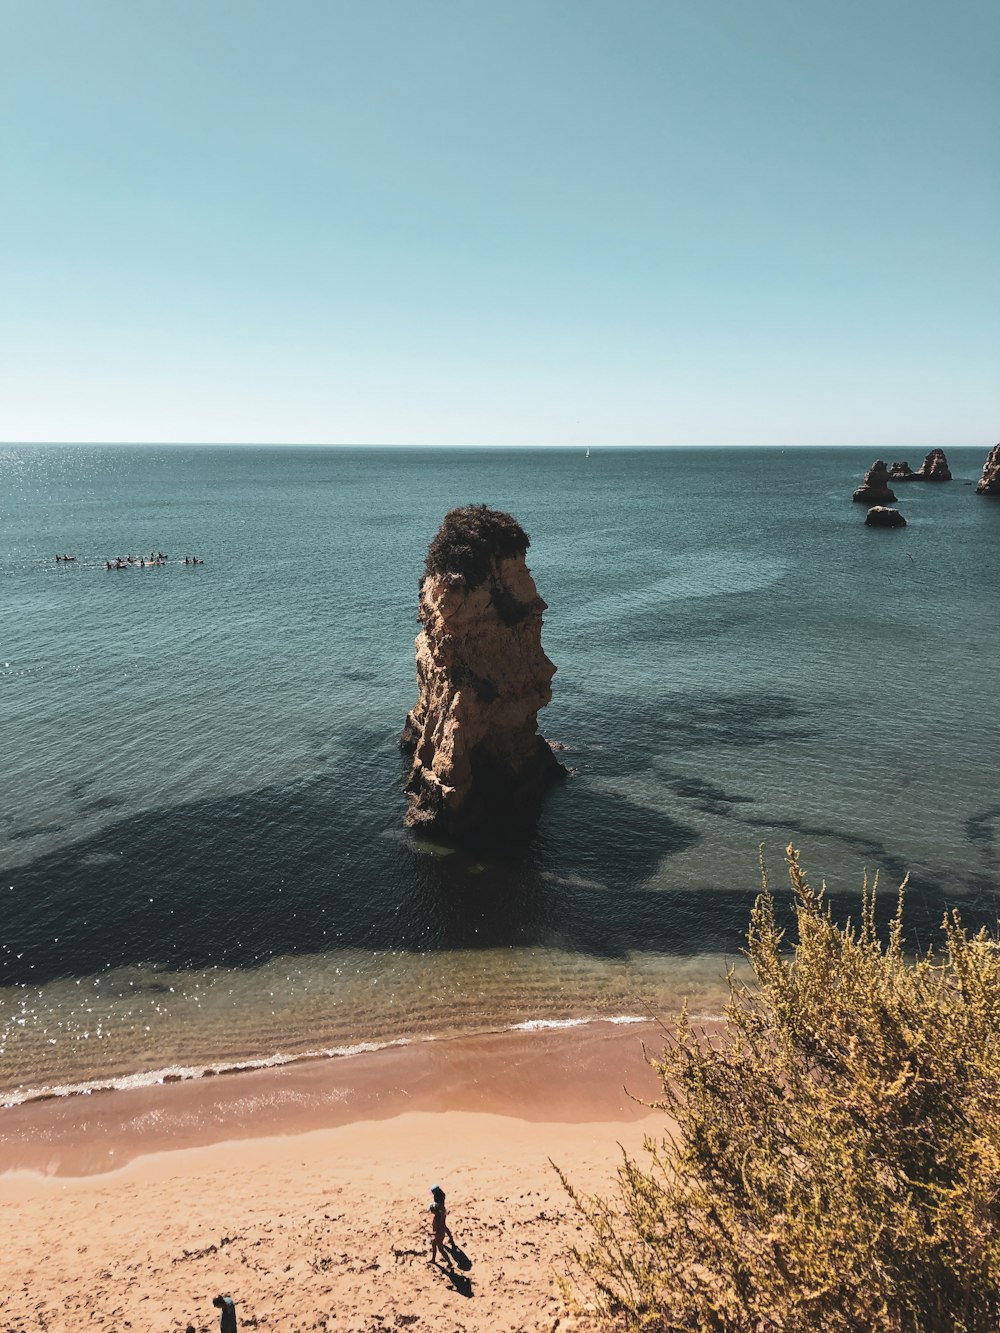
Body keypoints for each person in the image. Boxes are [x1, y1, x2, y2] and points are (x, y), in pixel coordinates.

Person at [428, 1185, 454, 1264]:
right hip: (440, 1232)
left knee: (441, 1249)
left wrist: (431, 1234)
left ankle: (449, 1262)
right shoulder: (440, 1197)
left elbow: (438, 1230)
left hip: (439, 1235)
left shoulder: (437, 1218)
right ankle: (433, 1259)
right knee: (434, 1244)